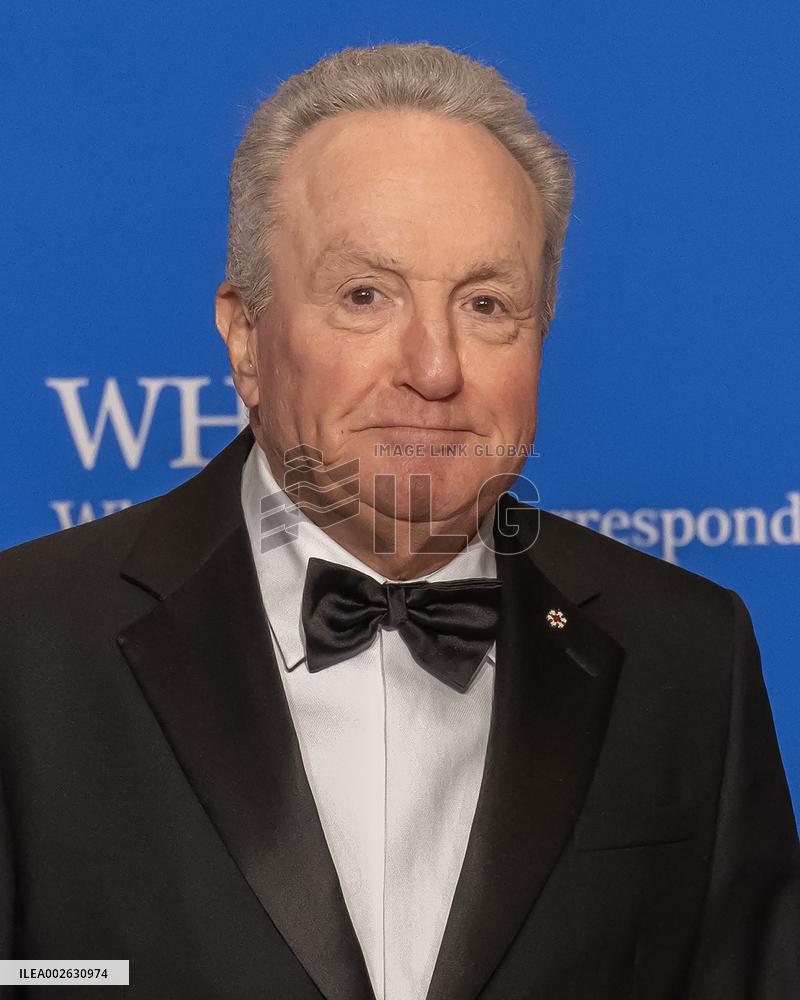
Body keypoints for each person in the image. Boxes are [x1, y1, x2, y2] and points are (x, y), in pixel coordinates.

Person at [0, 41, 797, 1000]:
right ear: (247, 338)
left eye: (487, 302)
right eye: (365, 295)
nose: (433, 367)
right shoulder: (24, 641)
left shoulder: (690, 655)